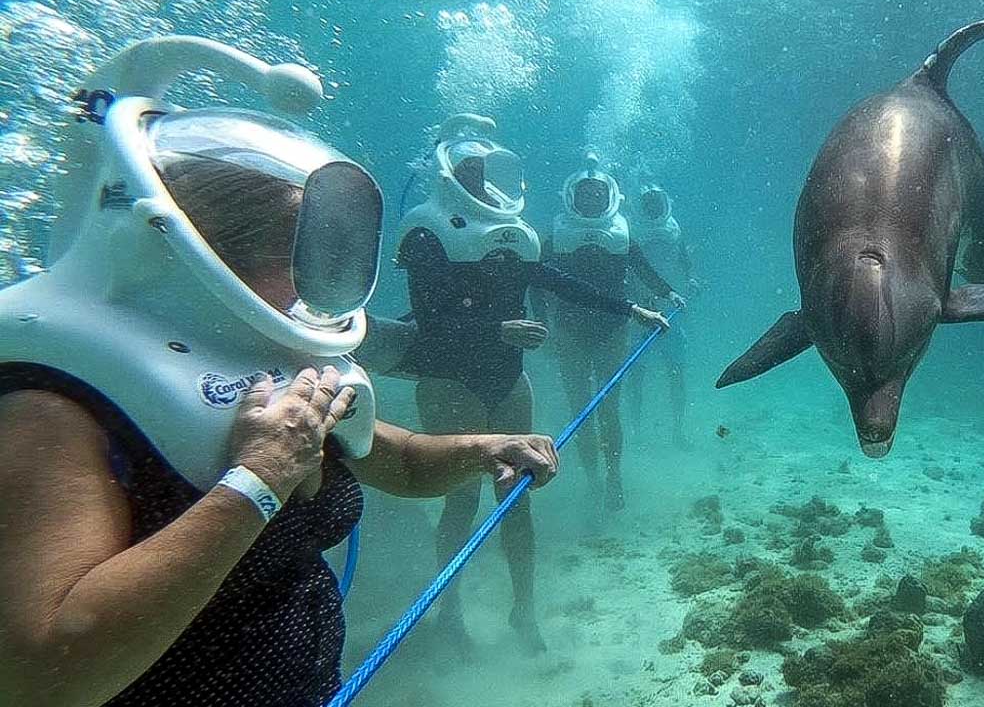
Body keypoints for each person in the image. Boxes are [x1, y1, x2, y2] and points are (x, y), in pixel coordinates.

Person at [0, 37, 559, 707]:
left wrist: (487, 448)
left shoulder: (258, 349)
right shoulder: (51, 407)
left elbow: (404, 463)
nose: (313, 283)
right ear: (187, 249)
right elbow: (44, 674)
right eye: (294, 252)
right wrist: (259, 478)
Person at [387, 114, 668, 654]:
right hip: (450, 382)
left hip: (509, 379)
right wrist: (496, 329)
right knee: (462, 500)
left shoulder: (511, 233)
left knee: (518, 497)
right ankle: (451, 613)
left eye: (487, 171)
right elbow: (426, 322)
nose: (481, 181)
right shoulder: (426, 232)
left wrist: (631, 308)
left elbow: (557, 281)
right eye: (470, 172)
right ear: (448, 176)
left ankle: (523, 610)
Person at [535, 153, 685, 516]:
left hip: (612, 331)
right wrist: (544, 325)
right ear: (571, 195)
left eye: (597, 193)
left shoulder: (621, 232)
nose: (591, 199)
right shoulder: (555, 236)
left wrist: (668, 293)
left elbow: (642, 269)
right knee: (581, 411)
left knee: (608, 410)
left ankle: (613, 476)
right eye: (585, 193)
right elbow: (537, 283)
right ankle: (592, 480)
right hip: (569, 332)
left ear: (610, 196)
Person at [627, 183, 698, 448]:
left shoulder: (674, 229)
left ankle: (677, 431)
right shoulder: (629, 231)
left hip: (670, 310)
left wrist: (691, 280)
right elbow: (627, 271)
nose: (653, 208)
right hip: (639, 312)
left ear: (665, 203)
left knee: (676, 372)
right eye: (648, 204)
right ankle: (636, 432)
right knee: (637, 375)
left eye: (656, 203)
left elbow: (684, 261)